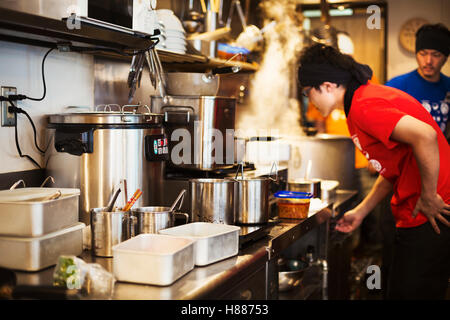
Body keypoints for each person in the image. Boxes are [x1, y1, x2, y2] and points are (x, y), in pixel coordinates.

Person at [297, 44, 450, 300]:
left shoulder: (363, 105)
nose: (309, 101)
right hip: (416, 209)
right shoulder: (358, 102)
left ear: (327, 85)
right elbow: (392, 169)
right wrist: (361, 211)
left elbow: (426, 136)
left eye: (307, 93)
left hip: (431, 212)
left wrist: (429, 195)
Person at [385, 23, 450, 133]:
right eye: (423, 54)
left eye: (436, 55)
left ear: (445, 58)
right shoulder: (396, 86)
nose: (428, 61)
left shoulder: (448, 86)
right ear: (416, 54)